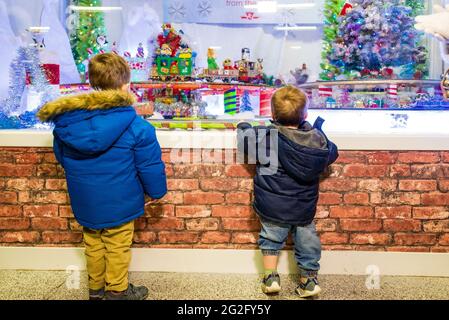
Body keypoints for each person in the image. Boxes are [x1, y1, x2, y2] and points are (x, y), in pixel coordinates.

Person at [37, 53, 167, 300]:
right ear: (126, 85)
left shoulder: (68, 124)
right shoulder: (137, 126)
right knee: (117, 246)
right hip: (121, 200)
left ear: (93, 84)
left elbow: (62, 158)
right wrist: (157, 192)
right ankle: (117, 291)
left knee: (93, 244)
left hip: (85, 198)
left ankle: (96, 290)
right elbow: (149, 165)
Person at [237, 86, 339, 298]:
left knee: (271, 238)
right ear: (305, 115)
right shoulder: (317, 139)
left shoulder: (267, 137)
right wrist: (313, 129)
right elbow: (332, 153)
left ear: (273, 114)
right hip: (303, 206)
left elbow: (245, 141)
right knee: (307, 241)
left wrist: (243, 125)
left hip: (271, 203)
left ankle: (271, 277)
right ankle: (309, 281)